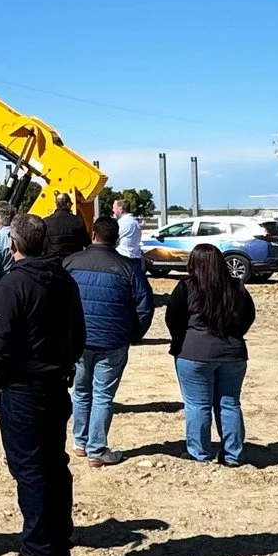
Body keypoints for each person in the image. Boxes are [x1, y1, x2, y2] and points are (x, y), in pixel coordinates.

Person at [0, 213, 87, 556]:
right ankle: (58, 548)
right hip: (54, 385)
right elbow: (78, 334)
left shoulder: (14, 284)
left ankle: (38, 554)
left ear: (13, 245)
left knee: (31, 469)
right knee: (53, 465)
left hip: (23, 388)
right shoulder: (64, 281)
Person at [65, 213, 153, 465]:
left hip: (79, 340)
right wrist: (135, 333)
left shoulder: (71, 263)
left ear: (93, 235)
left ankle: (80, 442)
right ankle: (96, 448)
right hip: (113, 341)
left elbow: (56, 297)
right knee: (102, 395)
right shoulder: (129, 268)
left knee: (80, 391)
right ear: (116, 240)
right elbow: (144, 305)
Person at [165, 244, 255, 465]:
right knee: (230, 404)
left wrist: (181, 341)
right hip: (233, 353)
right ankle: (233, 454)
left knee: (197, 405)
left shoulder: (186, 287)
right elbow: (249, 316)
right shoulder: (237, 287)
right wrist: (234, 335)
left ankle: (200, 453)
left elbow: (172, 318)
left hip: (194, 353)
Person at [44, 193, 91, 262]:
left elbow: (43, 246)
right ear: (68, 204)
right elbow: (87, 243)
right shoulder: (78, 221)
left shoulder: (46, 222)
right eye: (71, 203)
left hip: (53, 264)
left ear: (56, 204)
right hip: (74, 263)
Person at [112, 196, 143, 262]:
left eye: (114, 208)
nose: (112, 210)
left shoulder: (123, 223)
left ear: (120, 210)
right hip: (135, 258)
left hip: (123, 258)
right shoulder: (134, 222)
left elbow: (111, 240)